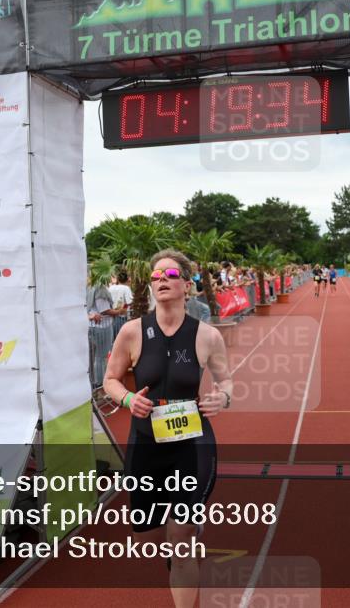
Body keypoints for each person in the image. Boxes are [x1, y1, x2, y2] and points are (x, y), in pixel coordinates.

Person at [102, 249, 232, 608]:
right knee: (161, 532)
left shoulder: (207, 336)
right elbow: (110, 380)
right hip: (147, 444)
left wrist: (223, 398)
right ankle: (181, 546)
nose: (161, 279)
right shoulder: (131, 332)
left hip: (193, 445)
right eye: (155, 275)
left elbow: (227, 382)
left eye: (170, 274)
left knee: (180, 535)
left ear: (186, 284)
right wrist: (128, 400)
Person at [87, 277, 116, 388]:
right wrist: (118, 312)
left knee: (94, 357)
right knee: (101, 357)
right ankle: (99, 385)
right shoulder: (100, 288)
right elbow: (104, 309)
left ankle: (95, 383)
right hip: (101, 327)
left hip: (92, 326)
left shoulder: (89, 287)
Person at [108, 271, 133, 338]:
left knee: (113, 338)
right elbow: (129, 302)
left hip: (111, 315)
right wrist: (124, 308)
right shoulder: (126, 288)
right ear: (127, 279)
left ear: (118, 279)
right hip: (122, 316)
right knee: (121, 337)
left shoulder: (111, 287)